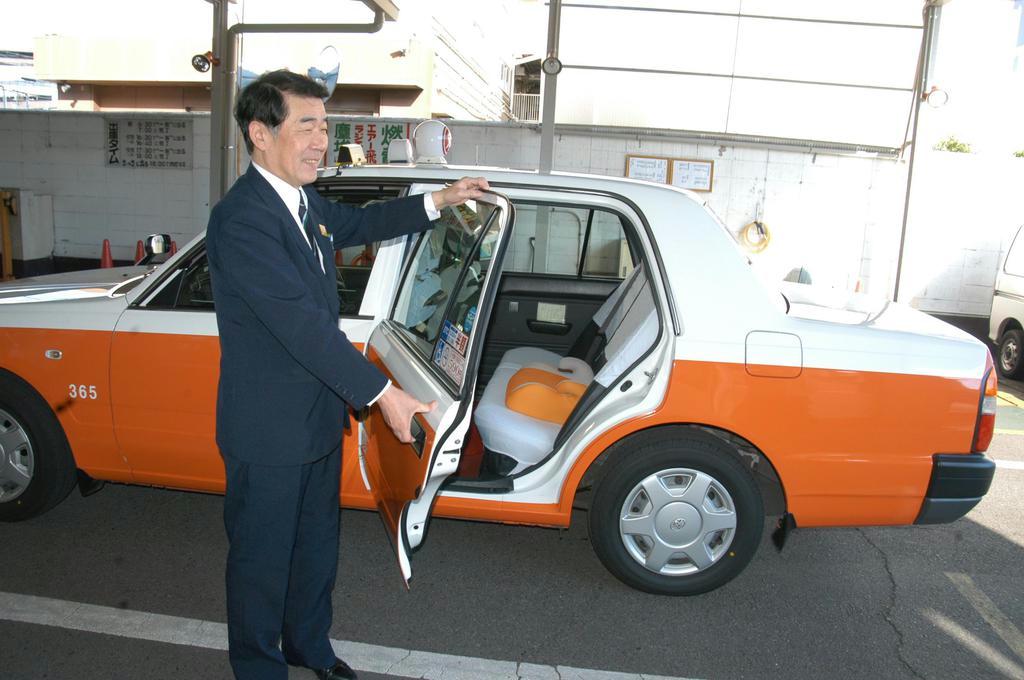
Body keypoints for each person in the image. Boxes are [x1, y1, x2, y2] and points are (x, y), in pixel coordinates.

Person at [205, 69, 489, 680]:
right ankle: (259, 669)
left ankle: (309, 647)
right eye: (306, 125)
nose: (321, 141)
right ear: (259, 133)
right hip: (267, 434)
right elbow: (301, 326)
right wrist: (383, 395)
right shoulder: (243, 219)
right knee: (261, 563)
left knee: (315, 549)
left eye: (325, 126)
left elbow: (360, 224)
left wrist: (439, 200)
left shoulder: (302, 201)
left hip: (314, 421)